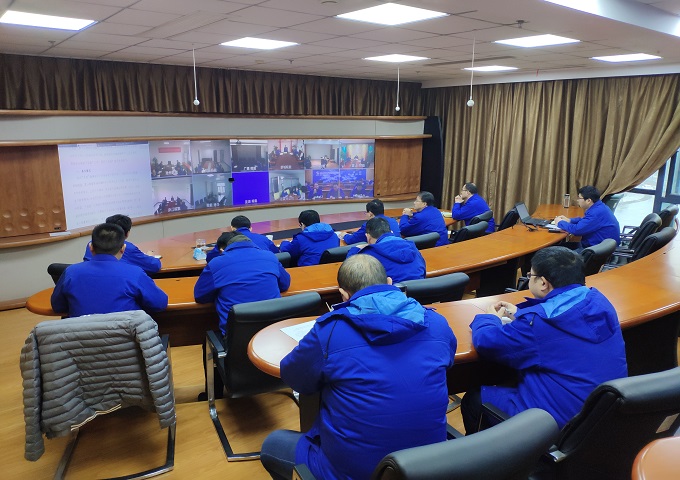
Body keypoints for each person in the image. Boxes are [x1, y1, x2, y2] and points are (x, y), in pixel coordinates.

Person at [260, 255, 457, 480]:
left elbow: (295, 378)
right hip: (427, 467)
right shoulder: (437, 324)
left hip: (353, 473)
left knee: (273, 445)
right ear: (390, 283)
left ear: (343, 294)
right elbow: (448, 362)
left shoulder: (330, 332)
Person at [461, 246, 627, 433]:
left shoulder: (538, 323)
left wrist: (489, 318)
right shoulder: (599, 300)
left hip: (559, 423)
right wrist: (521, 314)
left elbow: (488, 342)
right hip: (600, 418)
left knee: (474, 400)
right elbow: (558, 328)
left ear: (543, 283)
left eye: (530, 275)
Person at [52, 223, 168, 317]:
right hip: (125, 338)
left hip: (81, 337)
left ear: (91, 248)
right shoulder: (135, 273)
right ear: (123, 249)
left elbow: (57, 306)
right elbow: (160, 304)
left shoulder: (71, 272)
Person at [194, 233, 291, 337]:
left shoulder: (216, 263)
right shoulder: (270, 256)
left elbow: (200, 296)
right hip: (274, 332)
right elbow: (285, 284)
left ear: (222, 249)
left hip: (238, 337)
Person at [346, 217, 425, 282]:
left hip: (391, 294)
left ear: (368, 237)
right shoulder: (412, 246)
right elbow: (423, 271)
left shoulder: (369, 254)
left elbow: (350, 270)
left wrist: (355, 249)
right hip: (421, 292)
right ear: (391, 232)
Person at [83, 214, 161, 275]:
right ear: (127, 233)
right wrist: (150, 257)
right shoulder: (128, 248)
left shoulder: (93, 243)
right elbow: (154, 266)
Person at [554, 185, 621, 251]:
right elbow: (585, 220)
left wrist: (559, 222)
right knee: (557, 248)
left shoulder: (595, 213)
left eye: (579, 198)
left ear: (588, 200)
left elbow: (577, 230)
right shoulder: (599, 207)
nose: (577, 200)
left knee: (556, 253)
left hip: (595, 250)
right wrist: (569, 220)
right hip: (598, 245)